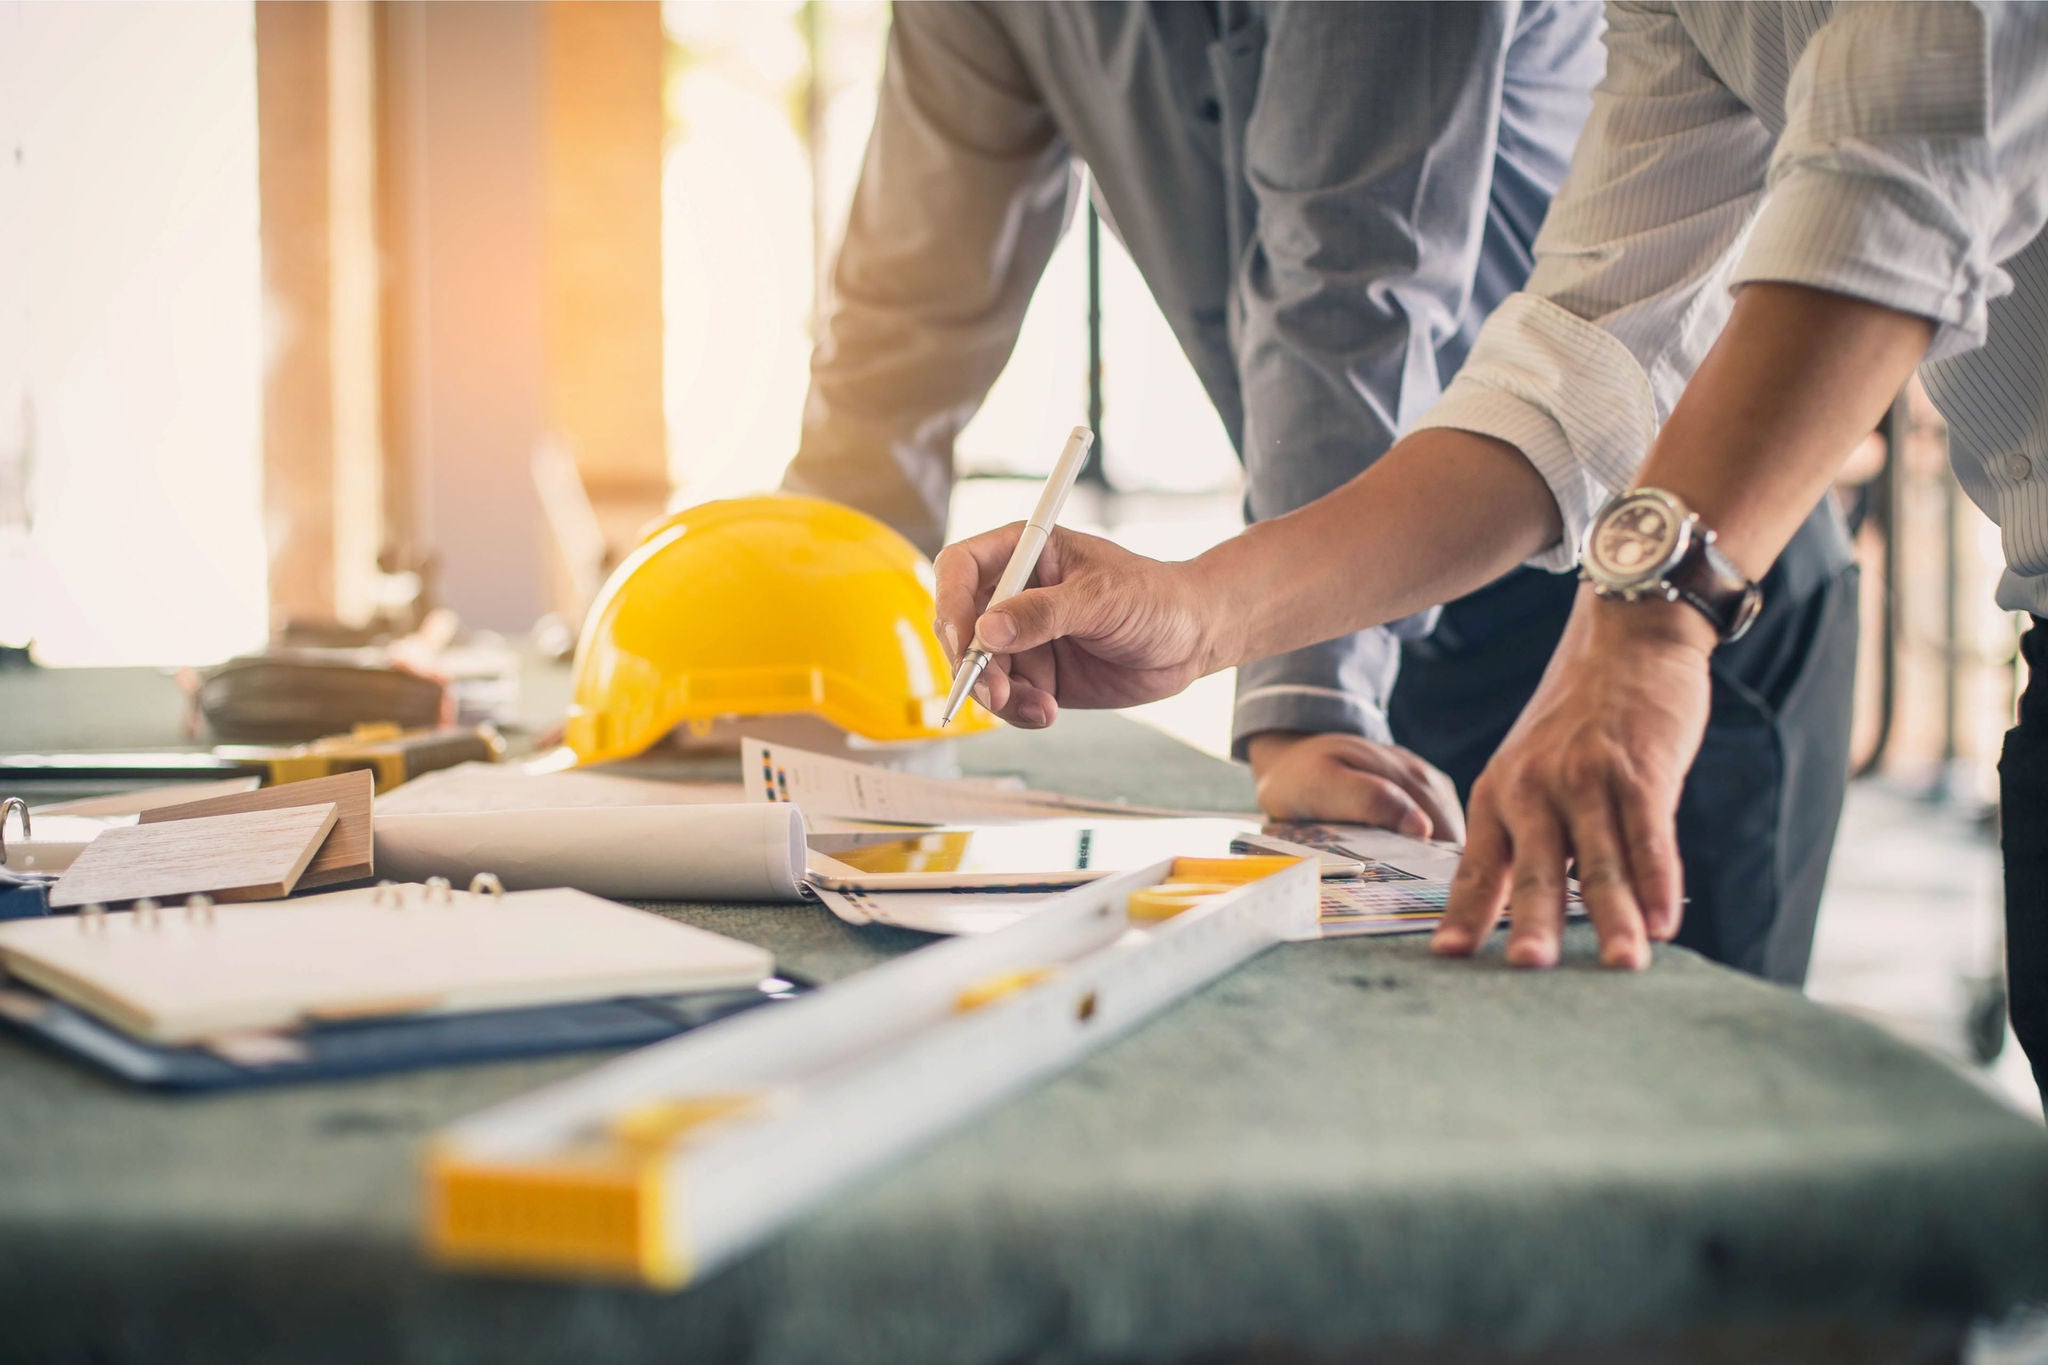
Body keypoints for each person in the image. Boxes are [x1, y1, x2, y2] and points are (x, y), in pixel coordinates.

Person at [930, 1, 2048, 1098]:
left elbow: (1906, 164)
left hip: (1705, 596)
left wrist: (1645, 627)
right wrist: (1202, 613)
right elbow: (1576, 366)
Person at [789, 1, 1860, 985]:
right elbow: (905, 315)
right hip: (1369, 572)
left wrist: (1308, 695)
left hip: (1670, 576)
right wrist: (798, 639)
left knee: (1678, 1111)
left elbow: (1350, 286)